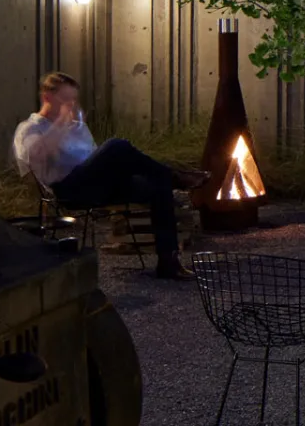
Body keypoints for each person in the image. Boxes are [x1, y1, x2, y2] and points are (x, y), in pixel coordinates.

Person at [13, 71, 208, 280]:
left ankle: (168, 262)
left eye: (73, 100)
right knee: (116, 146)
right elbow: (35, 158)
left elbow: (95, 159)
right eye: (65, 99)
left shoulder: (77, 127)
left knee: (157, 184)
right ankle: (175, 176)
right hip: (68, 189)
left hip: (99, 185)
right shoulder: (30, 128)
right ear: (47, 97)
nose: (70, 105)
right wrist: (59, 125)